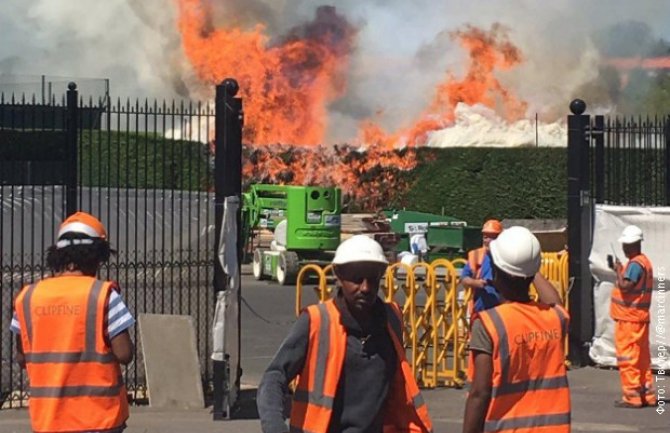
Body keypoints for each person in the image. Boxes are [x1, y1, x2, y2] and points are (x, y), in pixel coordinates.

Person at [257, 235, 433, 433]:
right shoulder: (316, 321)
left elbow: (398, 391)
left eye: (373, 279)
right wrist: (274, 426)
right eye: (357, 279)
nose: (365, 288)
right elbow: (274, 377)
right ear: (338, 275)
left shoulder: (391, 320)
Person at [10, 211, 135, 433]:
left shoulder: (27, 297)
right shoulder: (103, 295)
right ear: (98, 256)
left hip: (49, 418)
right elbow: (124, 354)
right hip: (99, 417)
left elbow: (22, 357)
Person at [462, 226, 571, 433]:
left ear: (495, 272)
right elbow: (555, 302)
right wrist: (529, 269)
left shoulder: (489, 323)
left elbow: (479, 393)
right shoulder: (553, 318)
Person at [610, 225, 656, 408]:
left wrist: (617, 271)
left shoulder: (636, 265)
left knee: (628, 358)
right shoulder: (644, 262)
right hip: (639, 319)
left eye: (625, 245)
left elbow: (626, 286)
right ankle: (648, 395)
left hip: (629, 320)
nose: (623, 248)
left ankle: (632, 397)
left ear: (631, 245)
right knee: (642, 359)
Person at [461, 219, 504, 315]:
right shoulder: (476, 255)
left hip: (503, 309)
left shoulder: (508, 256)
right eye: (486, 237)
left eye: (493, 237)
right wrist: (475, 283)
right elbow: (464, 278)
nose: (488, 241)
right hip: (481, 309)